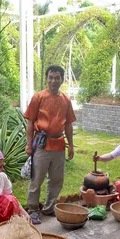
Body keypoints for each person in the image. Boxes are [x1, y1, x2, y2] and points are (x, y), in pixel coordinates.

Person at [24, 65, 77, 225]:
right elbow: (30, 122)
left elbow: (68, 125)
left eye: (57, 77)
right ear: (46, 78)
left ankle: (49, 206)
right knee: (37, 179)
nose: (53, 80)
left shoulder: (66, 100)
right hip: (41, 143)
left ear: (62, 79)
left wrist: (71, 145)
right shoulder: (38, 97)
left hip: (59, 144)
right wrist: (29, 144)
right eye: (51, 77)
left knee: (57, 179)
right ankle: (33, 209)